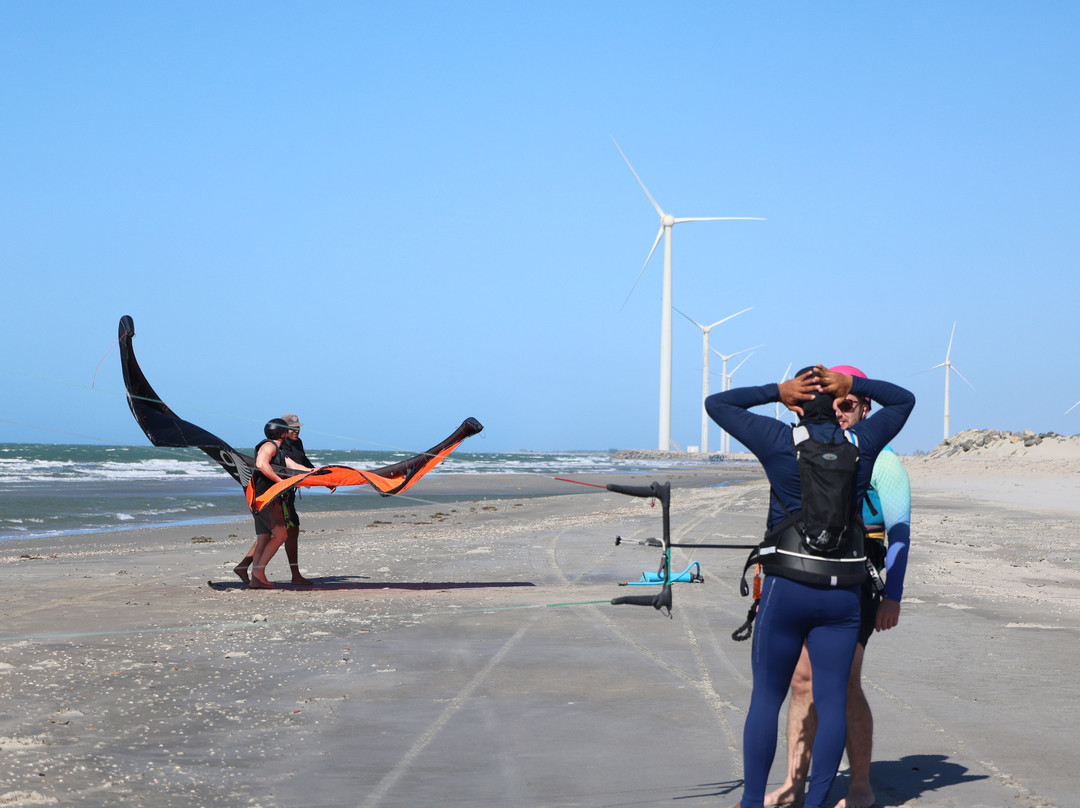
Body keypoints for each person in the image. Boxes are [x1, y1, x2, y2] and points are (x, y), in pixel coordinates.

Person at [705, 365, 915, 808]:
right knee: (832, 698)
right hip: (842, 596)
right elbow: (904, 399)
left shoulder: (778, 441)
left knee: (766, 698)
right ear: (839, 401)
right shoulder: (865, 444)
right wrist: (855, 386)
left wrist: (775, 391)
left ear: (795, 405)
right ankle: (817, 801)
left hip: (788, 586)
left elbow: (717, 404)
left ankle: (750, 802)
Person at [234, 414, 315, 586]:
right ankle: (258, 572)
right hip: (265, 497)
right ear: (283, 433)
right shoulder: (269, 446)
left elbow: (296, 466)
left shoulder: (279, 449)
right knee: (280, 534)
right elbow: (262, 464)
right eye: (290, 429)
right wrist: (281, 483)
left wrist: (320, 476)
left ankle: (255, 577)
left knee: (266, 536)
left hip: (274, 497)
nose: (295, 431)